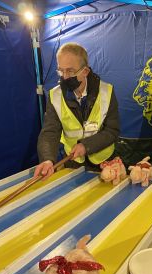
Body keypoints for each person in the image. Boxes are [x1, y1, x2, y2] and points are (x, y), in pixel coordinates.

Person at [34, 43, 120, 179]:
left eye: (70, 71)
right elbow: (50, 132)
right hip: (73, 162)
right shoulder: (55, 96)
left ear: (85, 71)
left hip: (105, 162)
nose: (65, 77)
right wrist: (47, 159)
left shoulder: (106, 91)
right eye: (61, 71)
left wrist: (86, 146)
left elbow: (112, 131)